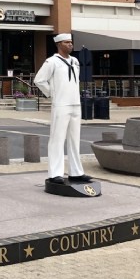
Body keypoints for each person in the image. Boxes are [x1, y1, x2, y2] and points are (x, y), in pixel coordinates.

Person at [34, 33, 92, 185]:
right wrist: (53, 93)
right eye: (67, 42)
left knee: (74, 140)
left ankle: (76, 172)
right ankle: (55, 173)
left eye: (71, 42)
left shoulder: (75, 61)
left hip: (75, 104)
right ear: (59, 44)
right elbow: (39, 80)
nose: (70, 45)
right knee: (57, 139)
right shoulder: (52, 62)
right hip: (60, 105)